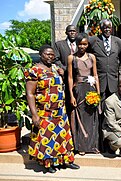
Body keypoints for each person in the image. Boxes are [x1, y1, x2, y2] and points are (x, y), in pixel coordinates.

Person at [25, 45, 80, 173]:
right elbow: (30, 94)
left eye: (52, 54)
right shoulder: (34, 71)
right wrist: (34, 115)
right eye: (47, 54)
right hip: (45, 111)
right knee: (48, 137)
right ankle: (48, 163)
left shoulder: (55, 68)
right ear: (40, 55)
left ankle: (65, 160)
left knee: (62, 137)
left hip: (60, 111)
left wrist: (62, 74)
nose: (50, 56)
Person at [67, 33, 100, 156]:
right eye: (80, 44)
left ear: (88, 45)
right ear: (76, 44)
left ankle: (92, 146)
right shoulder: (71, 58)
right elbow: (70, 77)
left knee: (91, 118)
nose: (82, 46)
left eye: (85, 44)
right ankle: (81, 145)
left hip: (90, 88)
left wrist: (97, 92)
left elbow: (95, 75)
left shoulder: (92, 57)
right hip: (79, 89)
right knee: (80, 117)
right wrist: (71, 95)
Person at [88, 19, 121, 102]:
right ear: (100, 28)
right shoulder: (93, 41)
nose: (107, 30)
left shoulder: (118, 42)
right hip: (100, 80)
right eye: (105, 27)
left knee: (113, 104)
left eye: (109, 28)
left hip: (113, 80)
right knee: (100, 105)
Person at [53, 25, 78, 116]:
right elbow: (56, 59)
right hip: (66, 77)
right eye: (70, 31)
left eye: (74, 31)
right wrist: (64, 69)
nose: (72, 33)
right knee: (68, 101)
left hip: (78, 78)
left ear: (77, 33)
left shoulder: (80, 44)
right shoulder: (59, 45)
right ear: (66, 33)